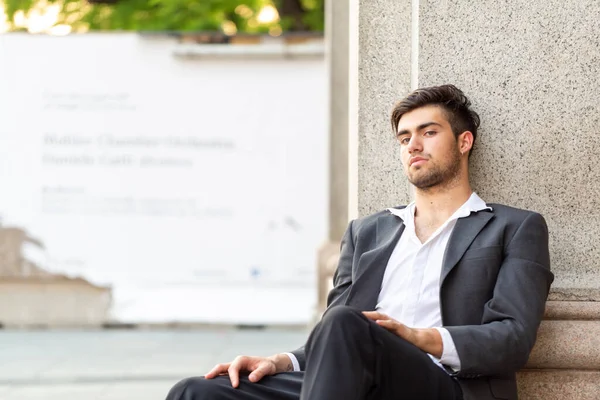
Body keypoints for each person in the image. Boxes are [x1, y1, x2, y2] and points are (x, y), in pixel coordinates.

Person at [165, 84, 554, 400]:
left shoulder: (513, 227)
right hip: (352, 381)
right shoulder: (367, 232)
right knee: (196, 392)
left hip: (444, 385)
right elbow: (334, 340)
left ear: (464, 141)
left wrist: (417, 337)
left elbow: (513, 337)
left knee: (347, 323)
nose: (413, 145)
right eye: (404, 138)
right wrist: (283, 361)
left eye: (428, 132)